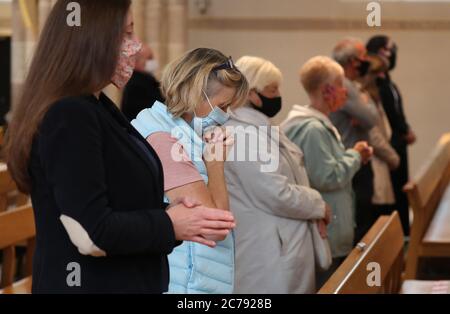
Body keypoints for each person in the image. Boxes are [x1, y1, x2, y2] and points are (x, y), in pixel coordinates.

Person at [3, 0, 235, 294]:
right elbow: (91, 232)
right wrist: (169, 223)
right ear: (92, 40)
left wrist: (174, 210)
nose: (136, 46)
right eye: (126, 34)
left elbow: (118, 196)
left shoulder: (97, 106)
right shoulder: (70, 113)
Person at [131, 48, 249, 294]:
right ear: (195, 95)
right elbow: (213, 225)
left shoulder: (182, 132)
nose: (225, 116)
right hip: (182, 282)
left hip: (193, 276)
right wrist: (215, 162)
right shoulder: (163, 137)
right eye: (222, 106)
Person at [223, 56, 331, 294]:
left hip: (282, 242)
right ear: (252, 93)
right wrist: (317, 204)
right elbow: (274, 192)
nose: (278, 95)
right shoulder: (242, 135)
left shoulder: (259, 128)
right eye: (272, 89)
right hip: (267, 252)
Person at [282, 56, 373, 285]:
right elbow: (326, 176)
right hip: (326, 233)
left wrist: (350, 156)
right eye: (341, 86)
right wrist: (355, 156)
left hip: (332, 230)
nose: (345, 92)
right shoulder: (312, 128)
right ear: (327, 90)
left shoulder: (319, 123)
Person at [330, 38, 379, 242]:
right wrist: (365, 103)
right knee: (361, 221)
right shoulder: (345, 84)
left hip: (355, 159)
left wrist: (365, 104)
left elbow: (368, 118)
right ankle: (357, 270)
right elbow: (371, 118)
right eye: (363, 57)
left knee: (363, 218)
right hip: (352, 160)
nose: (367, 60)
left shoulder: (351, 85)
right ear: (352, 61)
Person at [366, 35, 416, 236]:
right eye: (386, 50)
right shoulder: (375, 85)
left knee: (401, 195)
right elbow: (381, 120)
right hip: (388, 149)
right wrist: (403, 132)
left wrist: (407, 129)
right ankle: (397, 238)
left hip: (399, 146)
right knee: (391, 198)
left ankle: (404, 234)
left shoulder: (389, 82)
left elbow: (397, 112)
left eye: (392, 49)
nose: (391, 54)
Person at [361, 53, 400, 218]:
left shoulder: (373, 98)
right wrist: (393, 157)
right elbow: (373, 136)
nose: (382, 77)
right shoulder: (363, 99)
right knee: (376, 215)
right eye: (378, 73)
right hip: (374, 162)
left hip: (381, 161)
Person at [121, 43, 164, 121]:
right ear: (136, 61)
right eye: (149, 58)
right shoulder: (137, 83)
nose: (152, 61)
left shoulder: (145, 79)